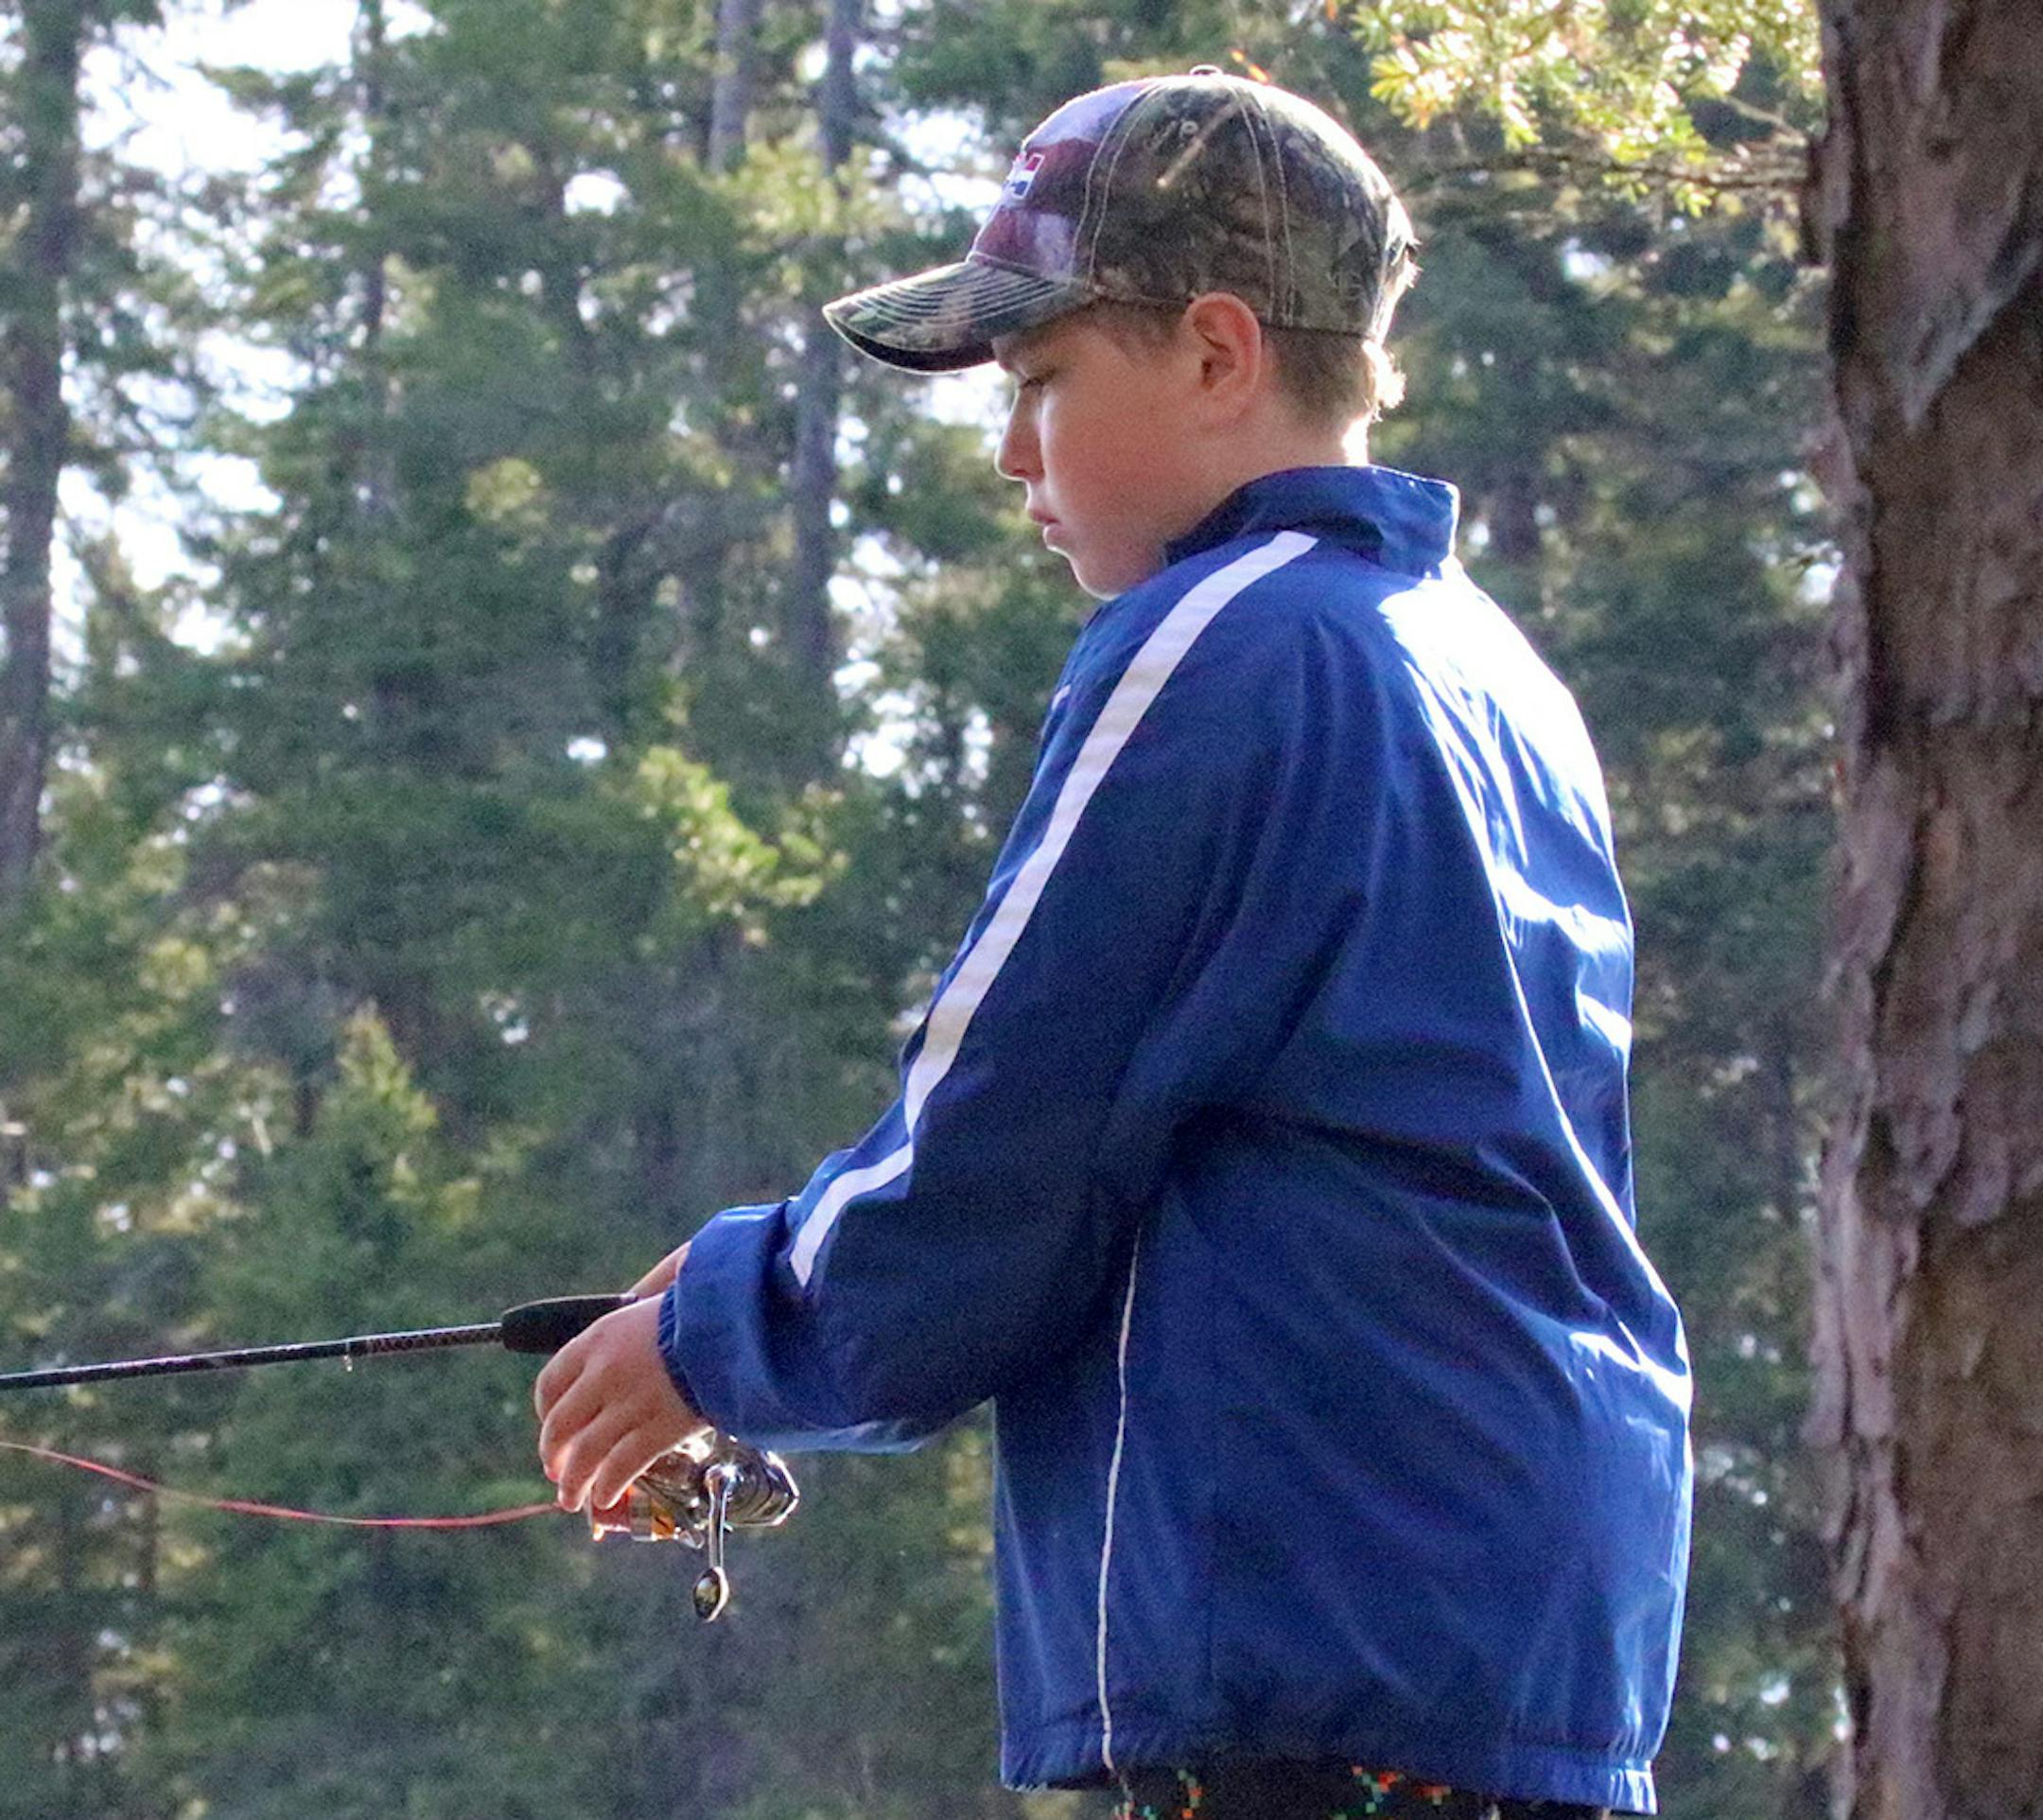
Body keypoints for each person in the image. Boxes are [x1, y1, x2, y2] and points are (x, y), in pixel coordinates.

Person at [535, 68, 1692, 1820]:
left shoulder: (1227, 644)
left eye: (1044, 381)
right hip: (1521, 1650)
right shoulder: (1484, 668)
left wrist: (718, 1327)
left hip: (1310, 1645)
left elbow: (1007, 1138)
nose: (1013, 452)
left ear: (1219, 354)